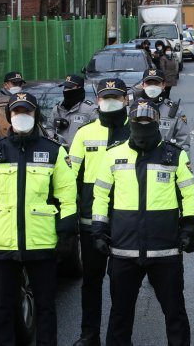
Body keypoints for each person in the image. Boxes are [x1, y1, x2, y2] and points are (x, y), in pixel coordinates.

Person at [0, 92, 78, 346]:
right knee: (4, 307)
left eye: (27, 112)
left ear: (35, 115)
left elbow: (67, 196)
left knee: (45, 307)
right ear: (9, 116)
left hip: (42, 243)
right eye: (17, 112)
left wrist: (66, 234)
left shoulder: (53, 152)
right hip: (3, 245)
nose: (22, 116)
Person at [91, 99, 194, 346]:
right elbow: (100, 195)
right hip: (123, 250)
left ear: (157, 124)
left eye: (147, 122)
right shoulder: (113, 155)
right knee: (120, 314)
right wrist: (98, 230)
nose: (142, 127)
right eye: (138, 122)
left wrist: (190, 227)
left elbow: (189, 194)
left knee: (174, 313)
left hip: (165, 251)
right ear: (131, 124)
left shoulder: (174, 156)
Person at [69, 78, 130, 346]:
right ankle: (89, 334)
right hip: (90, 219)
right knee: (91, 281)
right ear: (98, 100)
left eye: (115, 97)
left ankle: (119, 337)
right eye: (105, 97)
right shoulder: (84, 133)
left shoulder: (136, 132)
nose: (110, 102)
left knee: (121, 284)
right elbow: (70, 177)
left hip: (125, 219)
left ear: (126, 99)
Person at [137, 69, 191, 154]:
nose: (152, 87)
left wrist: (183, 164)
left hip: (165, 161)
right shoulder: (134, 108)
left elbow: (183, 142)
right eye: (149, 83)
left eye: (156, 83)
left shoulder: (174, 110)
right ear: (143, 85)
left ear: (163, 85)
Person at [51, 75, 98, 147]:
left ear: (79, 88)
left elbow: (97, 133)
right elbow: (49, 128)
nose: (66, 90)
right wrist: (54, 137)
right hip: (59, 153)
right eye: (65, 87)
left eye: (69, 87)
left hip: (81, 154)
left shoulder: (91, 110)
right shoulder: (57, 109)